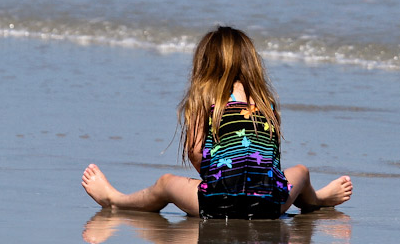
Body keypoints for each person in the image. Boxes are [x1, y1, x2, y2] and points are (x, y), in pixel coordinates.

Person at [82, 26, 353, 219]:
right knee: (301, 171)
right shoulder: (266, 100)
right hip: (270, 205)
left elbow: (196, 151)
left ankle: (115, 200)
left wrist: (222, 181)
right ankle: (316, 199)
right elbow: (272, 158)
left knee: (165, 184)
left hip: (218, 204)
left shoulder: (205, 95)